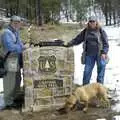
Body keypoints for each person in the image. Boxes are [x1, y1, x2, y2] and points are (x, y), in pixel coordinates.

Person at [64, 16, 109, 85]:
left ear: (96, 22)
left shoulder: (101, 31)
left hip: (100, 54)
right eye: (90, 21)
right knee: (87, 71)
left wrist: (104, 52)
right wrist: (69, 44)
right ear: (88, 23)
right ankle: (85, 87)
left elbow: (106, 43)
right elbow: (77, 39)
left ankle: (99, 88)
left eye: (93, 21)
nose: (92, 23)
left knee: (100, 73)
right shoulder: (85, 31)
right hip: (89, 55)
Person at [1, 15, 25, 109]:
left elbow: (19, 43)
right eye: (15, 22)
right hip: (9, 59)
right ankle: (8, 102)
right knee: (10, 80)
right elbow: (10, 47)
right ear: (10, 22)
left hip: (15, 58)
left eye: (18, 22)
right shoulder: (6, 32)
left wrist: (23, 46)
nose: (17, 24)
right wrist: (22, 48)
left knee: (17, 78)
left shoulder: (15, 31)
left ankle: (14, 97)